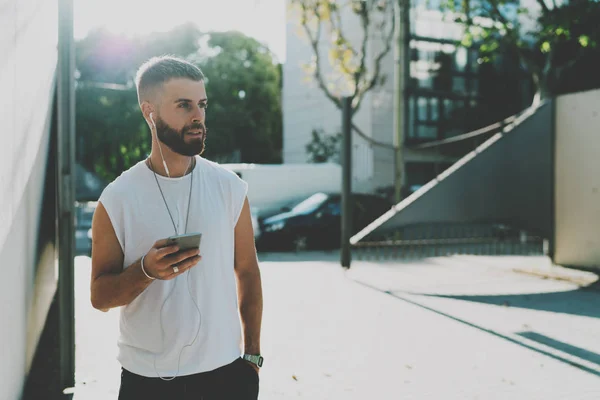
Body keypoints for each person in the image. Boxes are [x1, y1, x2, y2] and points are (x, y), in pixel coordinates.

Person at [90, 55, 263, 400]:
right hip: (148, 384)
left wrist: (252, 356)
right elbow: (100, 298)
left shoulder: (229, 187)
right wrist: (145, 271)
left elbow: (247, 271)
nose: (198, 116)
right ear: (149, 112)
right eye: (184, 105)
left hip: (227, 378)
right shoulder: (117, 198)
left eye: (202, 104)